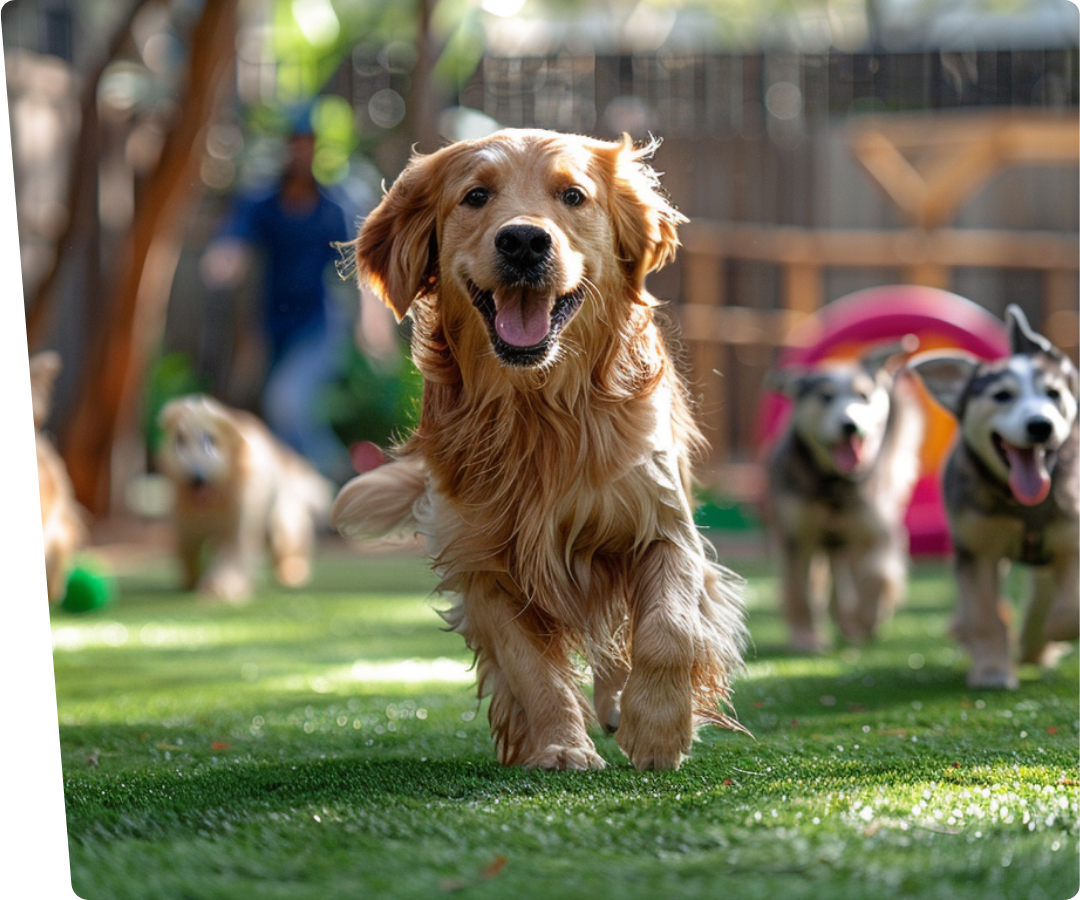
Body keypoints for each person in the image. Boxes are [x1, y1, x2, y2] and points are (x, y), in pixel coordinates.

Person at [200, 110, 353, 484]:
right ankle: (304, 495)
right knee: (281, 415)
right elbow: (234, 238)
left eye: (307, 145)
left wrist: (374, 323)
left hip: (318, 327)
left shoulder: (331, 208)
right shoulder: (264, 203)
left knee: (285, 402)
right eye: (294, 144)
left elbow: (358, 265)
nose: (300, 152)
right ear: (286, 148)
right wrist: (226, 257)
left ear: (315, 149)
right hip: (272, 327)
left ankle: (335, 479)